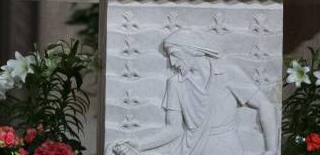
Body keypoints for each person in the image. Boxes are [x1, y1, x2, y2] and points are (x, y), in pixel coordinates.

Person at [110, 30, 279, 155]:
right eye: (169, 57)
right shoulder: (176, 83)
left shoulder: (228, 73)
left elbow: (265, 105)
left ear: (194, 50)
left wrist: (271, 150)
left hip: (226, 148)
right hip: (190, 147)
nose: (172, 62)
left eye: (175, 55)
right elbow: (173, 129)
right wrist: (139, 144)